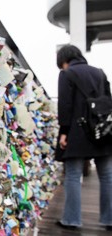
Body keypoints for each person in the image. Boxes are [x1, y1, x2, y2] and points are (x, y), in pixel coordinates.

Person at [55, 44, 112, 231]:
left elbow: (65, 105)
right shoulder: (100, 73)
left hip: (77, 132)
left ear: (64, 60)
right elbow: (108, 102)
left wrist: (64, 131)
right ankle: (109, 219)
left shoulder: (67, 74)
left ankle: (72, 219)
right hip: (102, 131)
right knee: (107, 176)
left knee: (73, 175)